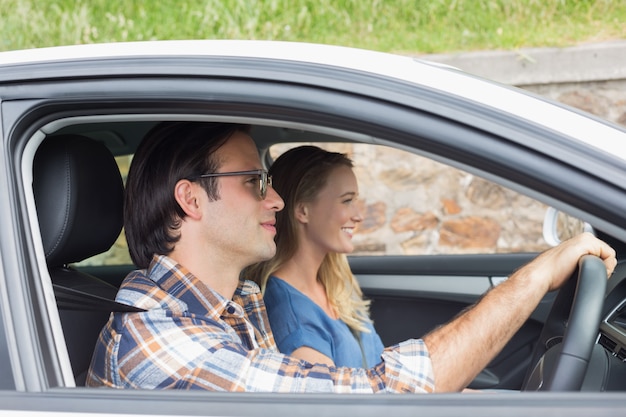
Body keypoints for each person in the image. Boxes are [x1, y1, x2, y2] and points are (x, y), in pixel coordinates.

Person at [87, 121, 617, 393]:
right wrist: (535, 277)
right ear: (191, 199)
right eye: (255, 182)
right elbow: (375, 396)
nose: (274, 199)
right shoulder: (160, 340)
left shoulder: (236, 302)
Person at [244, 146, 384, 368]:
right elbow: (332, 401)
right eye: (347, 201)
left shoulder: (336, 283)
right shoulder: (291, 315)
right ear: (302, 211)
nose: (358, 216)